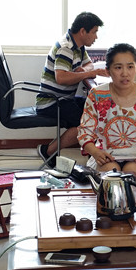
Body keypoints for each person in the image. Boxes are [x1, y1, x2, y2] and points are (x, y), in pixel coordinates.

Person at [77, 43, 136, 187]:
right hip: (106, 156)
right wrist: (95, 152)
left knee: (133, 172)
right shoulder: (97, 95)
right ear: (108, 71)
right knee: (110, 175)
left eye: (130, 67)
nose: (125, 73)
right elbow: (85, 133)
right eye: (118, 67)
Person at [35, 11, 109, 164]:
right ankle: (48, 151)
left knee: (94, 112)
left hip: (64, 99)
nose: (96, 37)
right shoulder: (66, 48)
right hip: (52, 102)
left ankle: (96, 154)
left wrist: (85, 70)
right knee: (87, 122)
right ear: (83, 31)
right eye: (94, 32)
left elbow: (89, 64)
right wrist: (89, 73)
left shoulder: (78, 46)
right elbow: (61, 78)